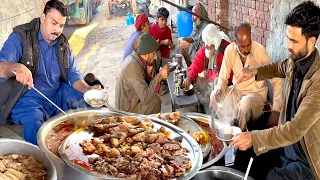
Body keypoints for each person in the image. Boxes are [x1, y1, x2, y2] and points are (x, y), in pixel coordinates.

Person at [230, 2, 320, 179]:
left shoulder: (317, 82)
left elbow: (294, 130)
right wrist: (253, 72)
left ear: (311, 41)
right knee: (245, 155)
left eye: (294, 41)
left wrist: (254, 138)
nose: (288, 45)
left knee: (271, 176)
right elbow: (278, 67)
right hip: (286, 148)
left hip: (305, 161)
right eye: (288, 38)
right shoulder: (295, 62)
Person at [0, 0, 100, 144]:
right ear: (42, 18)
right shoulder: (21, 37)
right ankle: (41, 162)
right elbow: (1, 67)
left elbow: (72, 73)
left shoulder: (62, 44)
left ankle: (91, 146)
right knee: (35, 123)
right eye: (53, 23)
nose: (58, 30)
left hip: (58, 93)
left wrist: (88, 89)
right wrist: (15, 67)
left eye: (61, 25)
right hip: (28, 98)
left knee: (89, 104)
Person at [210, 22, 282, 131]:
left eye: (249, 44)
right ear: (235, 42)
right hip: (237, 92)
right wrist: (219, 90)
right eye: (242, 46)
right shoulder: (229, 50)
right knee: (213, 96)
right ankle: (227, 128)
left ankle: (240, 136)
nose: (247, 49)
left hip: (256, 95)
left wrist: (276, 110)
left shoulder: (259, 51)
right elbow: (223, 78)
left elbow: (276, 80)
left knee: (245, 105)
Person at [115, 32, 169, 115]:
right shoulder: (132, 66)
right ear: (146, 55)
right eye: (153, 53)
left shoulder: (138, 59)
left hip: (133, 101)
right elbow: (146, 98)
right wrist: (160, 76)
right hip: (126, 112)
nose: (155, 57)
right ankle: (146, 126)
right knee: (155, 101)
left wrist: (148, 73)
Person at [183, 24, 231, 114]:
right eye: (205, 43)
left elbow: (226, 75)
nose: (206, 46)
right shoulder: (206, 47)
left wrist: (208, 74)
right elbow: (196, 63)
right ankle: (205, 105)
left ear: (215, 41)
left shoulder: (226, 49)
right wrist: (189, 77)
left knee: (216, 82)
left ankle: (215, 111)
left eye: (208, 43)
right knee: (194, 77)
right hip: (209, 82)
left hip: (224, 86)